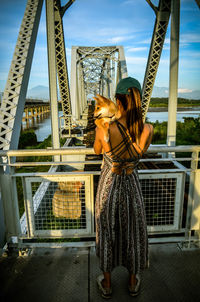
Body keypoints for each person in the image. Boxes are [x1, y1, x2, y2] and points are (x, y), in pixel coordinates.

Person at [93, 77, 153, 299]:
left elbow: (97, 151)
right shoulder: (147, 129)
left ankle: (107, 284)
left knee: (107, 232)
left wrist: (103, 129)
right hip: (132, 188)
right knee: (133, 233)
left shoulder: (105, 127)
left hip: (109, 187)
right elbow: (139, 153)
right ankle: (132, 282)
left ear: (117, 100)